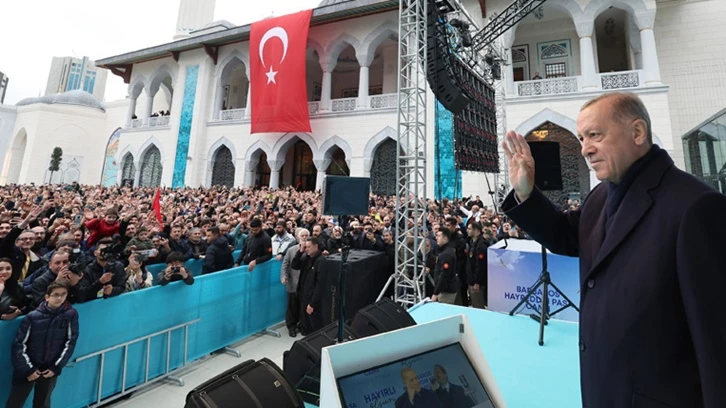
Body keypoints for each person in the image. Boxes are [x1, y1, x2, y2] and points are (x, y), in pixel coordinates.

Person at [501, 92, 726, 408]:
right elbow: (565, 237)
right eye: (581, 138)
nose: (584, 149)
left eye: (595, 135)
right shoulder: (600, 197)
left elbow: (716, 343)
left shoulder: (695, 206)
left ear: (637, 132)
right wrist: (526, 192)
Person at [7, 281, 79, 408]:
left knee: (43, 402)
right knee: (15, 402)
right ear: (47, 297)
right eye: (56, 295)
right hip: (27, 368)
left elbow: (70, 342)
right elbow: (19, 344)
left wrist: (56, 367)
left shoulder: (70, 315)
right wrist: (28, 369)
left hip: (50, 368)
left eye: (63, 294)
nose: (59, 298)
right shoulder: (32, 317)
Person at [280, 228, 309, 337]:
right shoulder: (291, 250)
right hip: (292, 283)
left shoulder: (311, 250)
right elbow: (285, 264)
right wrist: (284, 276)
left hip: (305, 285)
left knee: (303, 306)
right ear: (298, 238)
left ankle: (302, 326)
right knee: (292, 307)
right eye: (303, 236)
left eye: (307, 235)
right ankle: (291, 327)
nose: (305, 238)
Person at [431, 229, 458, 305]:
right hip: (444, 289)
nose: (436, 238)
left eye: (439, 236)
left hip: (446, 291)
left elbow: (444, 275)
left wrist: (436, 293)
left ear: (445, 238)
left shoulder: (446, 254)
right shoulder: (445, 251)